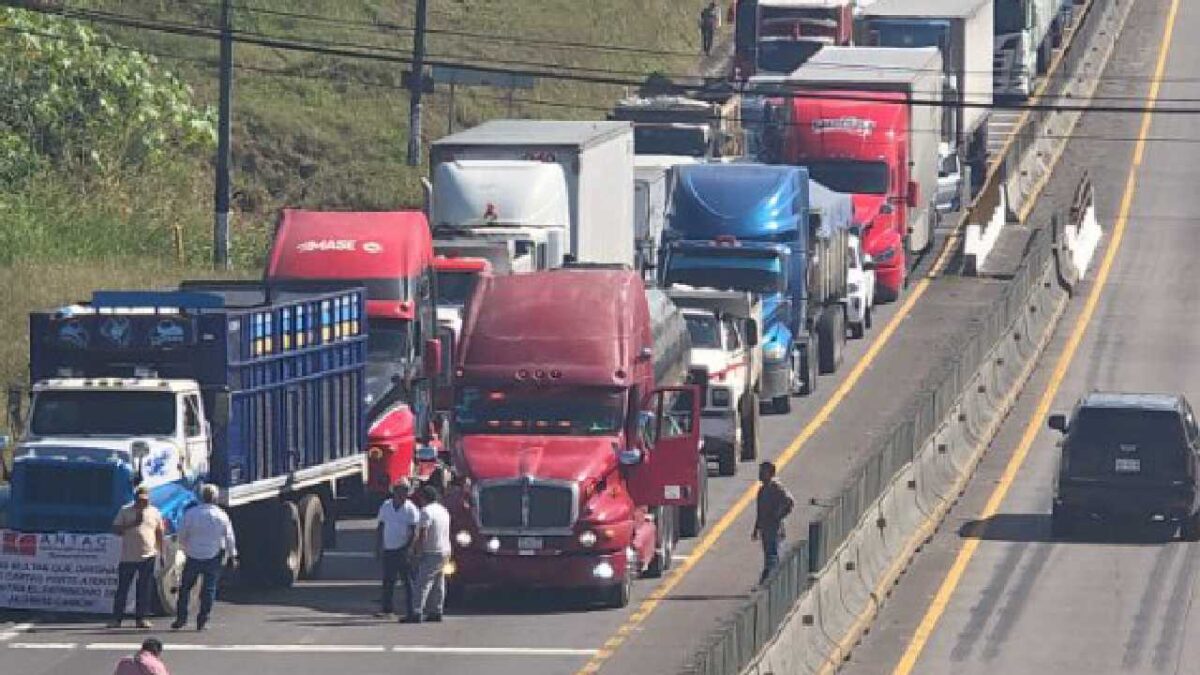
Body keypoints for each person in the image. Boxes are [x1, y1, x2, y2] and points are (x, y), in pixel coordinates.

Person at [172, 484, 237, 631]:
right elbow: (229, 537)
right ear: (215, 498)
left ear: (202, 496)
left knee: (185, 588)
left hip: (193, 555)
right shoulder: (221, 515)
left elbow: (182, 535)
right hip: (213, 556)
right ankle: (202, 620)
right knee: (208, 589)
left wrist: (184, 548)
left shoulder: (191, 514)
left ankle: (181, 619)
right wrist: (233, 556)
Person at [108, 485, 164, 629]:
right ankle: (116, 618)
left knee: (144, 588)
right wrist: (133, 524)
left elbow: (159, 533)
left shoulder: (155, 512)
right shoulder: (125, 510)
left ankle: (141, 618)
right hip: (128, 556)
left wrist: (161, 552)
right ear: (135, 498)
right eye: (140, 500)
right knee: (123, 588)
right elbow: (116, 529)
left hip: (148, 555)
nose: (143, 503)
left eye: (146, 500)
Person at [375, 479, 420, 621]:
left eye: (405, 491)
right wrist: (378, 546)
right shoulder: (386, 506)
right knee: (388, 580)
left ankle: (412, 610)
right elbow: (381, 526)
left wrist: (409, 549)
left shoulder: (410, 508)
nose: (403, 494)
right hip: (389, 549)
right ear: (394, 491)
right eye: (400, 490)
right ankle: (387, 609)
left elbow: (414, 531)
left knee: (408, 582)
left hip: (403, 550)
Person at [410, 484, 452, 623]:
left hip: (432, 550)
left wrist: (417, 550)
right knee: (439, 582)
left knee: (422, 583)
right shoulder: (443, 510)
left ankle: (416, 611)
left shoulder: (426, 511)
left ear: (424, 498)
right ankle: (437, 610)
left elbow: (423, 533)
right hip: (445, 549)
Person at [751, 461, 795, 584]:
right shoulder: (762, 490)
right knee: (768, 555)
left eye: (762, 472)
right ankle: (769, 581)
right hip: (765, 529)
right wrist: (756, 529)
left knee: (773, 556)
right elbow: (759, 512)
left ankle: (771, 582)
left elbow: (790, 502)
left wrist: (778, 515)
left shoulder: (776, 488)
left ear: (770, 473)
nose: (760, 474)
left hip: (774, 529)